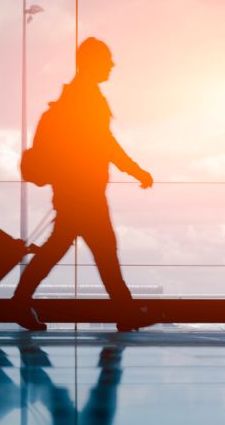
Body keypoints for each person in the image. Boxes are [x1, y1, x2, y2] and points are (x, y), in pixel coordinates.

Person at [13, 38, 154, 332]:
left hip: (75, 190)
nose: (112, 65)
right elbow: (105, 144)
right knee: (101, 250)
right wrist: (135, 170)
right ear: (91, 62)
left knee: (74, 248)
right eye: (107, 59)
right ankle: (125, 312)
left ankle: (20, 302)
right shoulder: (86, 98)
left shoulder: (78, 96)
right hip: (83, 191)